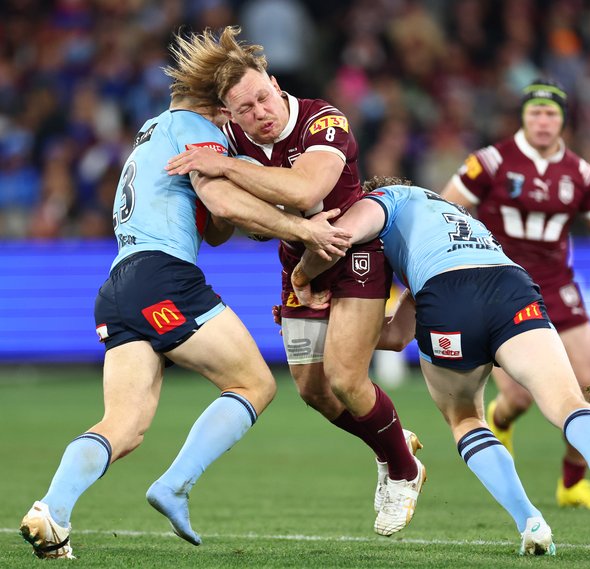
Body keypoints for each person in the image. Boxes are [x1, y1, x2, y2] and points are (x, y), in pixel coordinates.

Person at [17, 31, 352, 559]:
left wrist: (257, 206)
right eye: (234, 110)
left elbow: (217, 224)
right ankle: (174, 486)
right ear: (217, 106)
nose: (238, 121)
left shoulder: (152, 131)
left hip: (118, 286)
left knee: (124, 427)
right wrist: (305, 230)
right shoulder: (197, 130)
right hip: (163, 277)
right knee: (255, 384)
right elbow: (223, 200)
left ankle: (52, 511)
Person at [163, 27, 423, 536]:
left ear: (276, 84)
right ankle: (392, 441)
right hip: (296, 259)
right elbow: (220, 230)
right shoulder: (232, 141)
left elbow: (307, 190)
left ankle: (402, 469)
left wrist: (224, 168)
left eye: (264, 97)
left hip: (352, 249)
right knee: (314, 392)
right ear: (229, 116)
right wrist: (209, 179)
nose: (261, 112)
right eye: (245, 109)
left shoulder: (322, 119)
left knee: (348, 377)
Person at [290, 176, 590, 558]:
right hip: (510, 284)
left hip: (447, 296)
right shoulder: (455, 216)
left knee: (465, 419)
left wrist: (302, 277)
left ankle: (531, 522)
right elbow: (394, 336)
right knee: (567, 399)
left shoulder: (385, 199)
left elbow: (341, 236)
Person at [441, 76, 590, 509]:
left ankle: (572, 482)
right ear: (523, 117)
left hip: (557, 286)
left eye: (551, 114)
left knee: (587, 387)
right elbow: (447, 206)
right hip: (500, 288)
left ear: (563, 121)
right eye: (535, 112)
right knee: (517, 396)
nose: (543, 121)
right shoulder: (492, 162)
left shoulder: (580, 173)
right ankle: (500, 416)